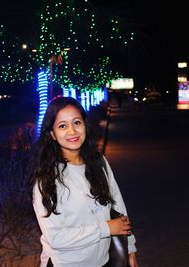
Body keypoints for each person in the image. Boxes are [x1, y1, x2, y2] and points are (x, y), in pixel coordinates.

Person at [30, 97, 138, 267]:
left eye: (77, 122)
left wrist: (130, 249)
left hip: (104, 261)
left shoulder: (98, 162)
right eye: (62, 126)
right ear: (52, 134)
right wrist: (105, 229)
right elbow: (56, 238)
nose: (72, 131)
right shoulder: (47, 178)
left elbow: (118, 208)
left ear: (84, 125)